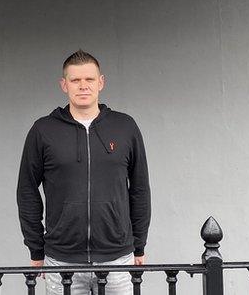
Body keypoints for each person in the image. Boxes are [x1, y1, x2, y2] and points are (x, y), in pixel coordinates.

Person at [17, 50, 151, 295]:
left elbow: (140, 189)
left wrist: (138, 246)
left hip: (117, 258)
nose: (83, 86)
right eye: (75, 80)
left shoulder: (125, 127)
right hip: (62, 259)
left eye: (89, 79)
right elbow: (26, 191)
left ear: (101, 82)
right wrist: (36, 249)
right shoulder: (43, 130)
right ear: (64, 85)